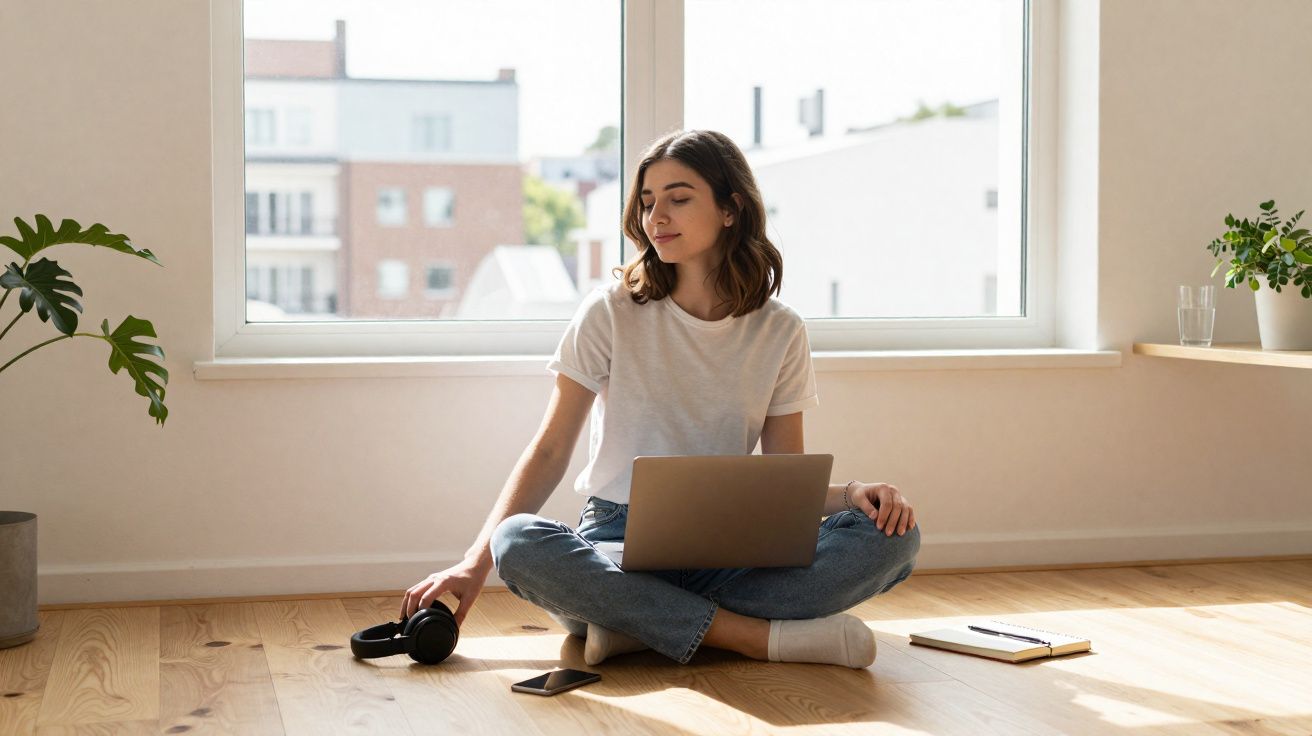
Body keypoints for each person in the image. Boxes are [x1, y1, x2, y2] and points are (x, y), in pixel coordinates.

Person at [402, 129, 919, 668]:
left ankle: (635, 624)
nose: (656, 218)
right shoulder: (609, 312)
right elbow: (551, 450)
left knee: (893, 538)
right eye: (648, 203)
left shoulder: (780, 331)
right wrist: (472, 563)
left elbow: (785, 483)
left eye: (678, 198)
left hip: (731, 543)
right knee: (517, 542)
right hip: (615, 540)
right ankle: (751, 637)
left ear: (730, 208)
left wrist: (857, 494)